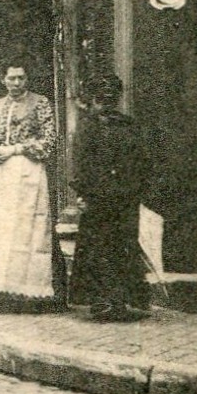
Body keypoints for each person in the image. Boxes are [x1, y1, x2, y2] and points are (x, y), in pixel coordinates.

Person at [0, 63, 59, 312]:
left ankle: (29, 294)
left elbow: (48, 142)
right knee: (0, 231)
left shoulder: (40, 103)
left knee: (26, 230)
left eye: (21, 77)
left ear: (27, 78)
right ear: (4, 80)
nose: (16, 83)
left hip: (28, 172)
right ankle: (2, 290)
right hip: (0, 175)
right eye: (12, 78)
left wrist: (17, 149)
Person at [69, 73, 151, 322]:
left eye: (111, 98)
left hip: (124, 197)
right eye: (102, 98)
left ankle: (120, 300)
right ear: (94, 99)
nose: (106, 102)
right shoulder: (88, 126)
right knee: (98, 248)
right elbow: (80, 163)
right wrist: (82, 193)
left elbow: (141, 159)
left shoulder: (129, 125)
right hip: (98, 197)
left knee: (123, 246)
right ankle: (101, 300)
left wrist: (136, 188)